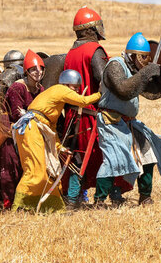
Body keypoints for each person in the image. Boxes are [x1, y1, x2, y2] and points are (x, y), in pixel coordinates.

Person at [95, 32, 161, 206]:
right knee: (114, 159)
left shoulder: (136, 70)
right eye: (142, 58)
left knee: (148, 154)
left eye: (147, 59)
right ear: (132, 55)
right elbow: (123, 90)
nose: (144, 62)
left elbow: (154, 91)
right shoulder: (115, 65)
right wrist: (146, 73)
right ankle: (100, 200)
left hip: (130, 123)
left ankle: (145, 196)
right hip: (111, 122)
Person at [11, 69, 101, 212]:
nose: (77, 91)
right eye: (75, 87)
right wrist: (101, 93)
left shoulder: (55, 104)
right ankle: (20, 205)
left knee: (47, 170)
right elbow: (83, 101)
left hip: (37, 127)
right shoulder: (60, 89)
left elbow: (51, 128)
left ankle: (47, 206)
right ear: (66, 84)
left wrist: (60, 147)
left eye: (78, 88)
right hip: (31, 127)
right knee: (34, 169)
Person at [61, 6, 115, 206]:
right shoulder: (94, 50)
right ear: (91, 29)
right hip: (91, 115)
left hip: (72, 115)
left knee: (75, 156)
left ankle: (73, 198)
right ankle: (107, 197)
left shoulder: (70, 52)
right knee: (106, 154)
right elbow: (105, 80)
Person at [0, 49, 45, 209]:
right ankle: (8, 203)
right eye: (33, 69)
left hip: (31, 133)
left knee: (30, 167)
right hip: (11, 133)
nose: (37, 72)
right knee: (11, 167)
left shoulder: (40, 89)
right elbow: (17, 114)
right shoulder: (18, 87)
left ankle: (25, 201)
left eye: (40, 69)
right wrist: (35, 115)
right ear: (27, 71)